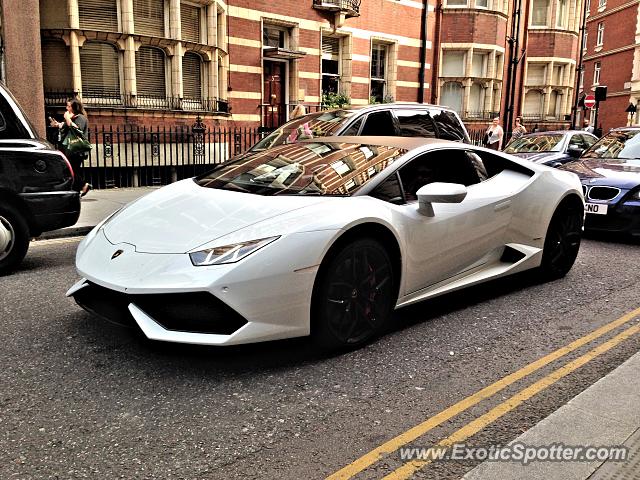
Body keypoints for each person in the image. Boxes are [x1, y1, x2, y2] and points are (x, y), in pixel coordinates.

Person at [50, 99, 91, 197]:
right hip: (70, 150)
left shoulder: (80, 118)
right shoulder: (72, 117)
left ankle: (83, 185)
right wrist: (57, 124)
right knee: (71, 170)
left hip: (76, 150)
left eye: (68, 106)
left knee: (71, 170)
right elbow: (64, 126)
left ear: (74, 108)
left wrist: (67, 118)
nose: (66, 108)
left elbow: (77, 129)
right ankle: (76, 191)